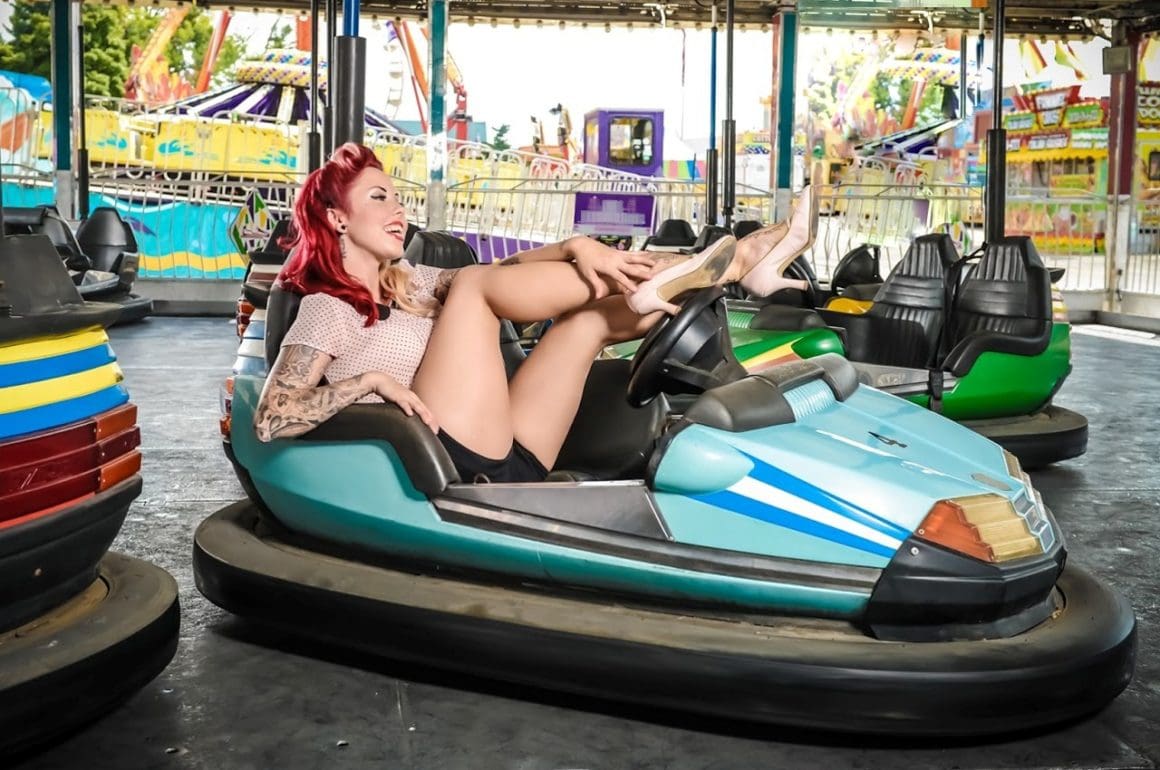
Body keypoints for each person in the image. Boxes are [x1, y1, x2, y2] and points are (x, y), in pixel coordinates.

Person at [253, 142, 814, 483]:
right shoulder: (328, 306)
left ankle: (728, 268)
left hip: (515, 455)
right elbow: (272, 417)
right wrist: (370, 383)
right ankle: (741, 262)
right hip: (437, 459)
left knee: (587, 322)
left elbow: (511, 273)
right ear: (336, 218)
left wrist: (577, 247)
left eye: (398, 197)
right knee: (473, 285)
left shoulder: (412, 282)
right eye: (379, 198)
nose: (399, 210)